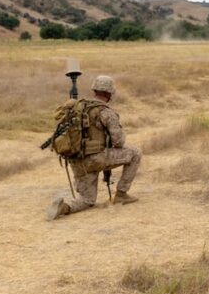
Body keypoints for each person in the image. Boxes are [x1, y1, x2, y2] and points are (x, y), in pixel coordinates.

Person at [47, 75, 141, 219]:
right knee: (135, 153)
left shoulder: (79, 107)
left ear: (94, 90)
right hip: (97, 159)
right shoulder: (106, 112)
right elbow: (119, 142)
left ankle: (65, 207)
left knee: (87, 200)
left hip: (77, 161)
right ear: (109, 93)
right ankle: (121, 194)